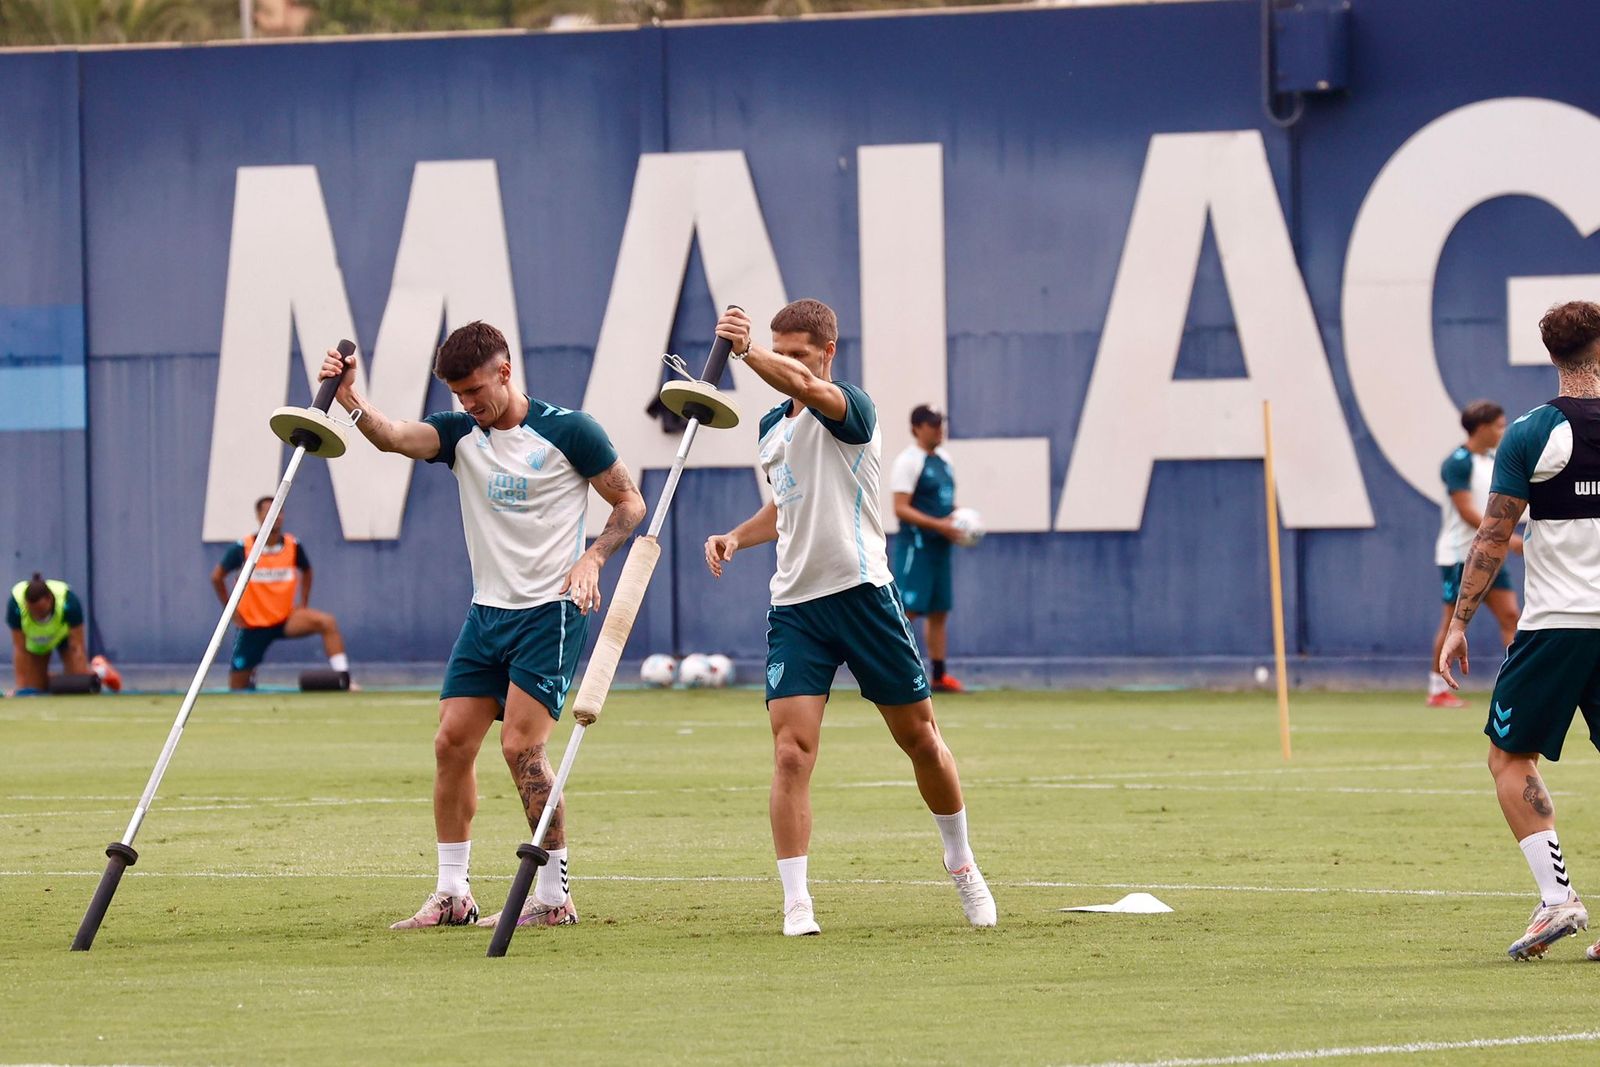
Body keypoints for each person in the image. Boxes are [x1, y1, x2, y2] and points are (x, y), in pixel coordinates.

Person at [319, 321, 645, 930]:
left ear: (505, 370)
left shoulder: (571, 430)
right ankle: (453, 895)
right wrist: (349, 402)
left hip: (550, 613)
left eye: (475, 390)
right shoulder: (460, 434)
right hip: (486, 614)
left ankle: (553, 896)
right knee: (450, 744)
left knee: (522, 748)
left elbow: (630, 503)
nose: (469, 404)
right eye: (459, 395)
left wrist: (593, 556)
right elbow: (392, 438)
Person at [703, 300, 996, 937]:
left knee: (920, 739)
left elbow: (803, 385)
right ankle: (797, 901)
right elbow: (786, 506)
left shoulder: (851, 407)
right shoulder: (769, 427)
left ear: (827, 354)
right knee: (790, 754)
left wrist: (750, 351)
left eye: (798, 353)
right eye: (778, 350)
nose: (787, 363)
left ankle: (962, 863)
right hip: (796, 607)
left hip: (864, 595)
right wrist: (734, 536)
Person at [1440, 300, 1600, 960]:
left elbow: (1493, 534)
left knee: (1508, 757)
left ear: (1552, 356)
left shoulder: (1533, 433)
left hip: (1558, 624)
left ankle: (1558, 898)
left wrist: (1458, 624)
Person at [1427, 401, 1521, 708]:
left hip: (1491, 554)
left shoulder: (1494, 459)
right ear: (1481, 428)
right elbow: (1466, 510)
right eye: (1498, 425)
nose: (1502, 431)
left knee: (1511, 615)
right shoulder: (1458, 462)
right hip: (1459, 556)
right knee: (1452, 620)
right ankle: (1437, 688)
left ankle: (1518, 685)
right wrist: (1507, 538)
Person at [211, 497, 352, 691]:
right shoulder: (243, 548)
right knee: (237, 686)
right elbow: (217, 577)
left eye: (278, 511)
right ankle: (249, 674)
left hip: (285, 618)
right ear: (258, 516)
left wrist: (303, 603)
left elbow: (308, 571)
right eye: (268, 512)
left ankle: (345, 680)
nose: (274, 517)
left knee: (327, 622)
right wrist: (231, 610)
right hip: (254, 624)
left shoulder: (293, 545)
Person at [889, 403, 966, 693]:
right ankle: (896, 673)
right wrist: (939, 525)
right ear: (916, 429)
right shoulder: (909, 461)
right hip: (917, 547)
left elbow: (945, 503)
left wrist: (959, 521)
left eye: (940, 423)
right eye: (932, 424)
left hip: (940, 548)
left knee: (939, 611)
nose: (938, 429)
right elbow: (900, 508)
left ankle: (939, 675)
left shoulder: (944, 460)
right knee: (908, 610)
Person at [8, 573, 119, 694]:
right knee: (35, 687)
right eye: (32, 611)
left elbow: (77, 645)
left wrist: (81, 674)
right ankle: (53, 681)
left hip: (64, 637)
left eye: (40, 611)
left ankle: (100, 670)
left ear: (49, 599)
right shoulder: (16, 605)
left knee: (78, 679)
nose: (37, 616)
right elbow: (19, 648)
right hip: (37, 642)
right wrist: (21, 686)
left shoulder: (69, 601)